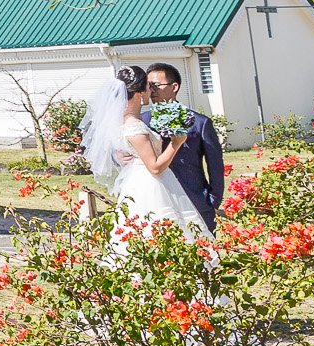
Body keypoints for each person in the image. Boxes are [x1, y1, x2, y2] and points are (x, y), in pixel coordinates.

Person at [80, 64, 211, 236]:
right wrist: (176, 143)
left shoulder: (125, 122)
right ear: (141, 94)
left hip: (140, 181)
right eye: (149, 88)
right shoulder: (135, 127)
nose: (152, 91)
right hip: (151, 185)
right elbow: (155, 167)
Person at [145, 62, 226, 229]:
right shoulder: (142, 121)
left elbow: (216, 166)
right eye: (148, 85)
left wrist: (213, 200)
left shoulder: (199, 123)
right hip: (156, 200)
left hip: (195, 200)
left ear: (174, 87)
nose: (151, 90)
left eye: (156, 85)